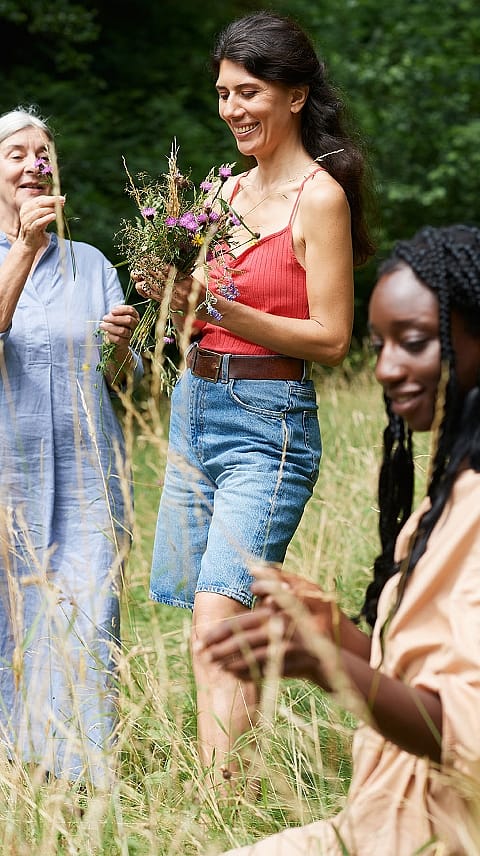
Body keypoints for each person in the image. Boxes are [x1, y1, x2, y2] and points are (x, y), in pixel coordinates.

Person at [136, 10, 374, 786]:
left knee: (219, 615)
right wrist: (165, 304)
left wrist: (225, 312)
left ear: (296, 95)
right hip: (196, 411)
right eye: (223, 94)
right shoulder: (223, 193)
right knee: (207, 615)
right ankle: (235, 782)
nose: (233, 109)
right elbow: (202, 317)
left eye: (249, 92)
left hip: (266, 427)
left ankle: (220, 803)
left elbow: (333, 338)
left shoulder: (321, 198)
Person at [201, 223, 480, 853]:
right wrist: (331, 631)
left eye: (413, 344)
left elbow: (464, 730)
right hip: (379, 825)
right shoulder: (446, 496)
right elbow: (413, 682)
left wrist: (331, 667)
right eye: (380, 344)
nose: (385, 369)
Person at [0, 106, 142, 787]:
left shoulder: (90, 263)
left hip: (91, 474)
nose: (35, 162)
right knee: (15, 621)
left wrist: (122, 346)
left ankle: (82, 771)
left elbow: (122, 379)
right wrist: (24, 249)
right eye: (17, 153)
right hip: (10, 477)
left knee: (89, 614)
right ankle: (18, 764)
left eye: (44, 152)